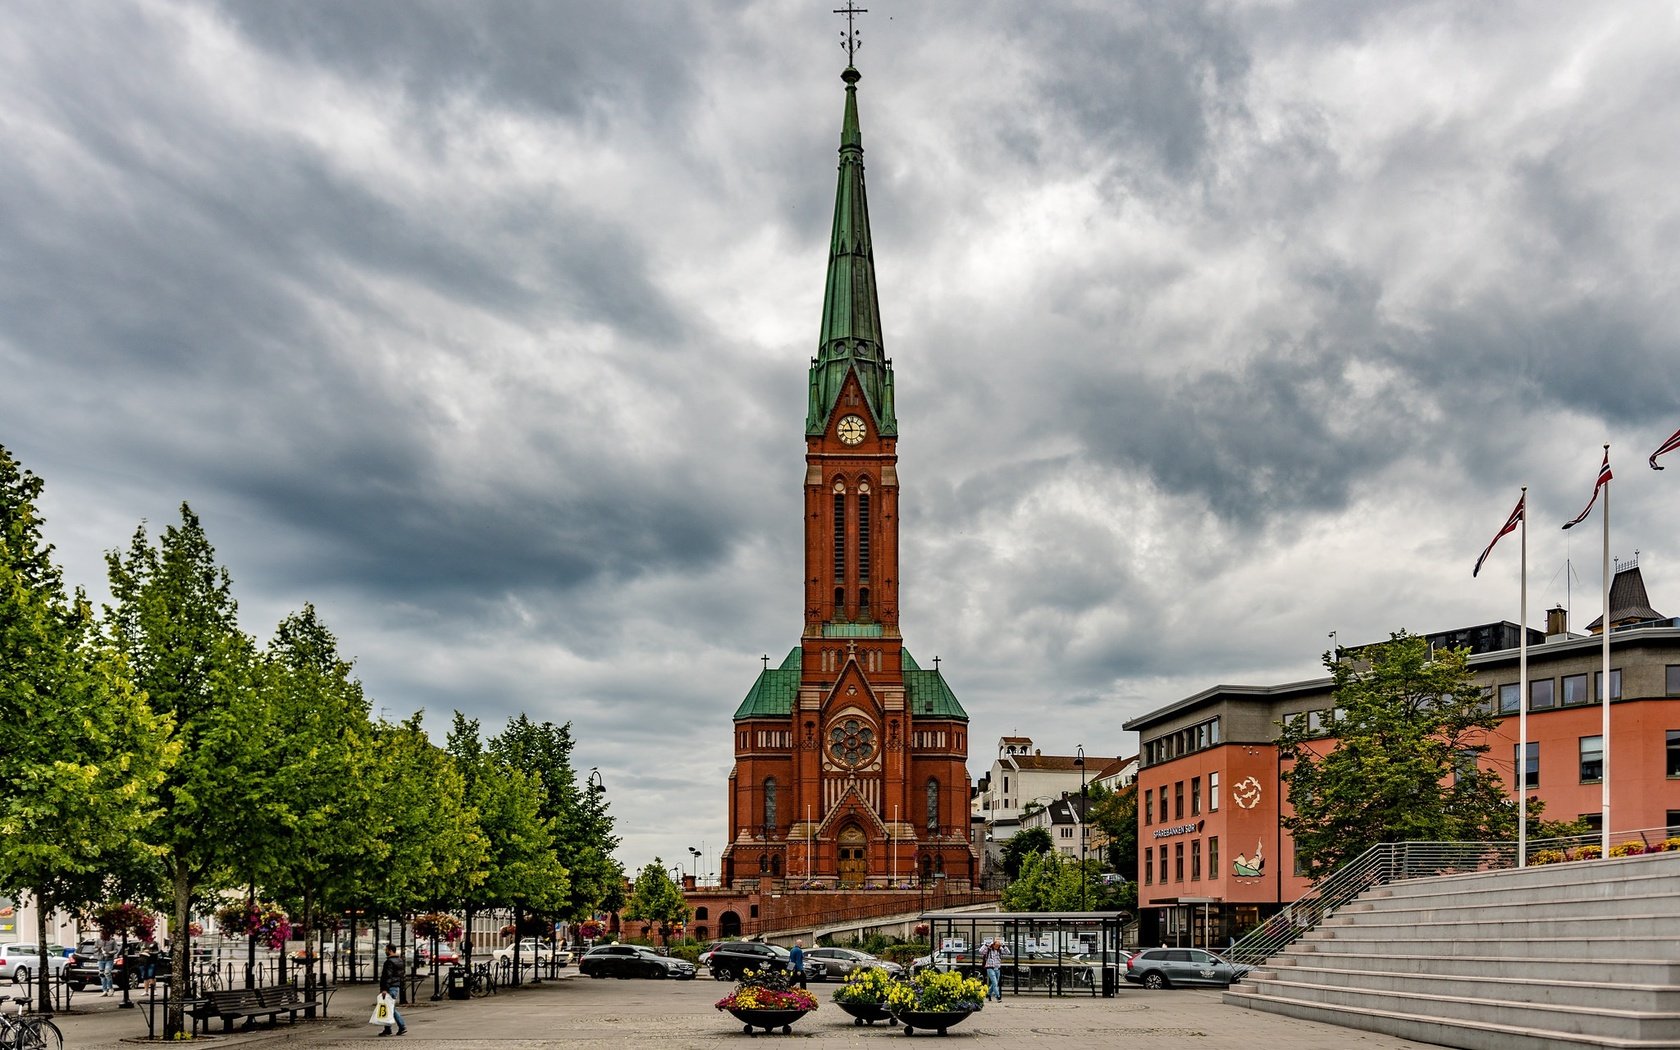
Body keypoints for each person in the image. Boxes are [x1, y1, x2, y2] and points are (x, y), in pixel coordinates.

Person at [378, 944, 407, 1037]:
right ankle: (388, 1028)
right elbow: (401, 975)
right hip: (395, 986)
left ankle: (400, 1026)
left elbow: (387, 976)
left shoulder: (389, 962)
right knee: (389, 1007)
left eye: (386, 950)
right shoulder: (400, 960)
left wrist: (384, 989)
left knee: (390, 1008)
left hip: (390, 987)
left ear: (390, 950)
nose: (385, 951)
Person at [981, 938, 1004, 1003]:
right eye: (996, 945)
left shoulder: (999, 950)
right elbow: (981, 951)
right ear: (993, 945)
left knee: (994, 983)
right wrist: (985, 945)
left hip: (997, 968)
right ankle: (998, 996)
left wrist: (1003, 946)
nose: (997, 947)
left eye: (998, 946)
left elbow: (1008, 952)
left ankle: (988, 994)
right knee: (995, 982)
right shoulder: (988, 950)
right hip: (990, 968)